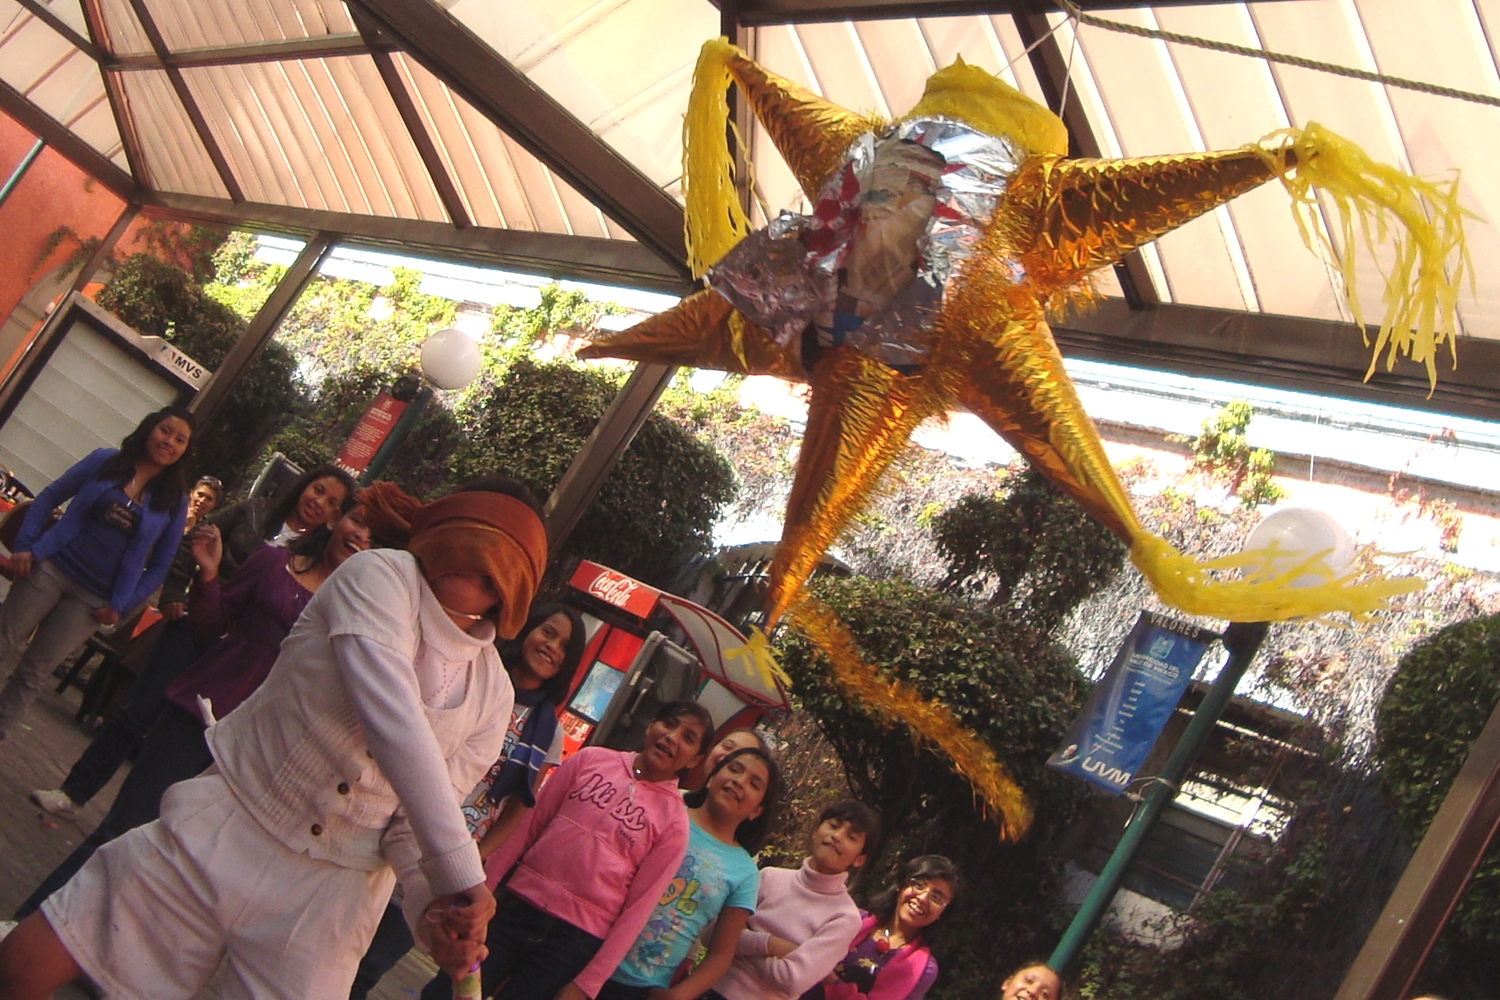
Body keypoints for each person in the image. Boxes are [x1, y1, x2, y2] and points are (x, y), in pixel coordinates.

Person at [0, 476, 549, 999]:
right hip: (232, 821)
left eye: (494, 570)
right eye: (468, 550)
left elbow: (409, 824)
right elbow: (392, 720)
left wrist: (439, 910)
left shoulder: (493, 692)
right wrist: (461, 872)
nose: (474, 572)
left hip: (330, 901)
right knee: (22, 966)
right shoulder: (380, 575)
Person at [14, 499, 373, 919]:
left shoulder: (359, 613)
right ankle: (30, 923)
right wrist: (207, 575)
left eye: (376, 536)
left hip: (260, 749)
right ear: (335, 520)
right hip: (198, 719)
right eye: (359, 521)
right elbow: (208, 630)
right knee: (123, 829)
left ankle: (98, 954)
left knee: (174, 861)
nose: (362, 536)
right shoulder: (274, 563)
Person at [28, 464, 354, 821]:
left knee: (183, 746)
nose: (318, 502)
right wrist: (174, 592)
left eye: (331, 503)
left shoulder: (317, 557)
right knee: (134, 715)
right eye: (317, 490)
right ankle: (73, 793)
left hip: (232, 657)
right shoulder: (255, 511)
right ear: (303, 487)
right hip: (194, 622)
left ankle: (135, 825)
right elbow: (192, 540)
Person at [350, 602, 588, 1000]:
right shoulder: (475, 675)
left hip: (446, 858)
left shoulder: (548, 733)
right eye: (548, 632)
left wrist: (475, 855)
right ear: (527, 629)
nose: (552, 647)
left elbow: (518, 806)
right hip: (394, 817)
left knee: (372, 964)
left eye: (565, 646)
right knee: (340, 938)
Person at [429, 700, 714, 1000]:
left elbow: (638, 910)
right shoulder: (590, 760)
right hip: (512, 908)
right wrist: (482, 893)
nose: (672, 737)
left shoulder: (674, 823)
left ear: (695, 760)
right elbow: (525, 829)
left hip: (573, 942)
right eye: (668, 724)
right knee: (449, 991)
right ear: (651, 725)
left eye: (688, 738)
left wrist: (588, 984)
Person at [0, 405, 193, 740]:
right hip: (50, 567)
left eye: (180, 440)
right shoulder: (105, 461)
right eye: (165, 431)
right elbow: (49, 497)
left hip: (93, 599)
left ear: (185, 451)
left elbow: (161, 565)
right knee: (3, 642)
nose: (169, 442)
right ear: (149, 428)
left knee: (34, 672)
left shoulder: (174, 501)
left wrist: (122, 605)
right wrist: (25, 546)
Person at [597, 746, 781, 1000]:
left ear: (757, 810)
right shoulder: (666, 811)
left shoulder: (746, 872)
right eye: (734, 769)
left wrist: (679, 995)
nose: (739, 782)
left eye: (754, 784)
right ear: (712, 776)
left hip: (642, 988)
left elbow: (720, 954)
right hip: (589, 947)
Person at [710, 800, 880, 1000]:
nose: (837, 836)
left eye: (851, 837)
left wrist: (739, 942)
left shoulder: (845, 917)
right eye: (833, 826)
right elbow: (711, 932)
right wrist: (772, 945)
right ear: (816, 831)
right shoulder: (769, 877)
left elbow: (792, 979)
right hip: (708, 988)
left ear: (859, 859)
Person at [802, 855, 961, 1000]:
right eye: (918, 885)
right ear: (901, 885)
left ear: (943, 913)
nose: (923, 898)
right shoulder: (853, 919)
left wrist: (831, 980)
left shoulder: (924, 969)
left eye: (936, 897)